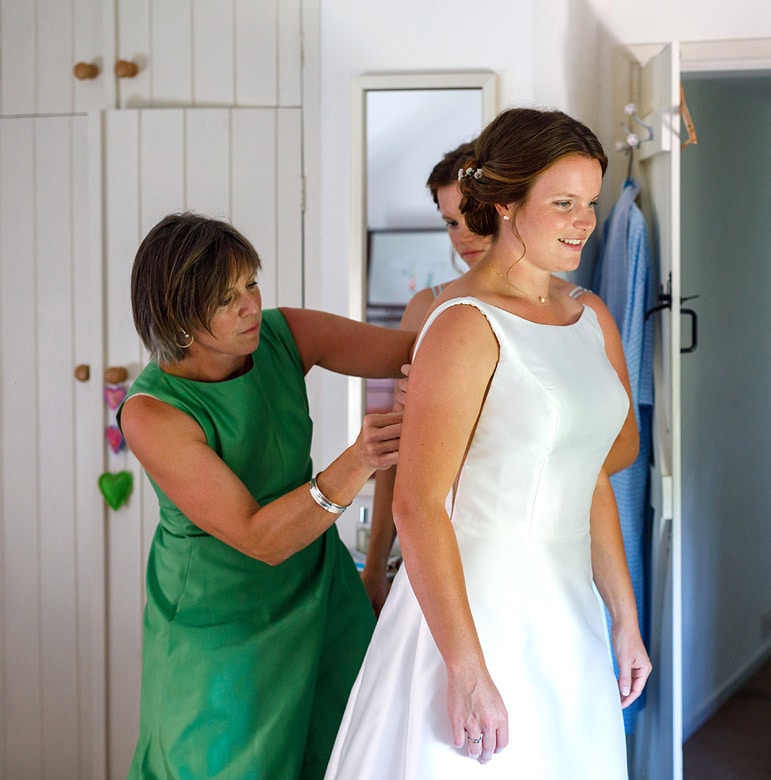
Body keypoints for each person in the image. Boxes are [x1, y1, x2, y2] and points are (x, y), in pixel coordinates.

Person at [326, 107, 651, 778]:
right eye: (563, 203)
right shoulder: (462, 325)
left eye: (589, 202)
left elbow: (592, 472)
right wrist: (467, 672)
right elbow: (419, 508)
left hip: (570, 613)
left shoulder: (589, 316)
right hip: (478, 609)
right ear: (506, 205)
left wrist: (625, 616)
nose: (585, 221)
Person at [117, 212, 415, 779]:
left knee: (345, 752)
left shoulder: (284, 334)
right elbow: (260, 538)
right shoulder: (152, 413)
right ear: (177, 315)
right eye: (226, 298)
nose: (251, 305)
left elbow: (417, 348)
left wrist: (476, 299)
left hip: (320, 592)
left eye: (251, 283)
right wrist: (359, 460)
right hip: (221, 616)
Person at [362, 141, 640, 616]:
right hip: (456, 549)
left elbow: (622, 446)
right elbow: (400, 455)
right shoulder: (434, 310)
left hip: (554, 553)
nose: (466, 234)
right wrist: (375, 565)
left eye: (472, 214)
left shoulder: (584, 312)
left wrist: (523, 464)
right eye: (451, 221)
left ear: (501, 206)